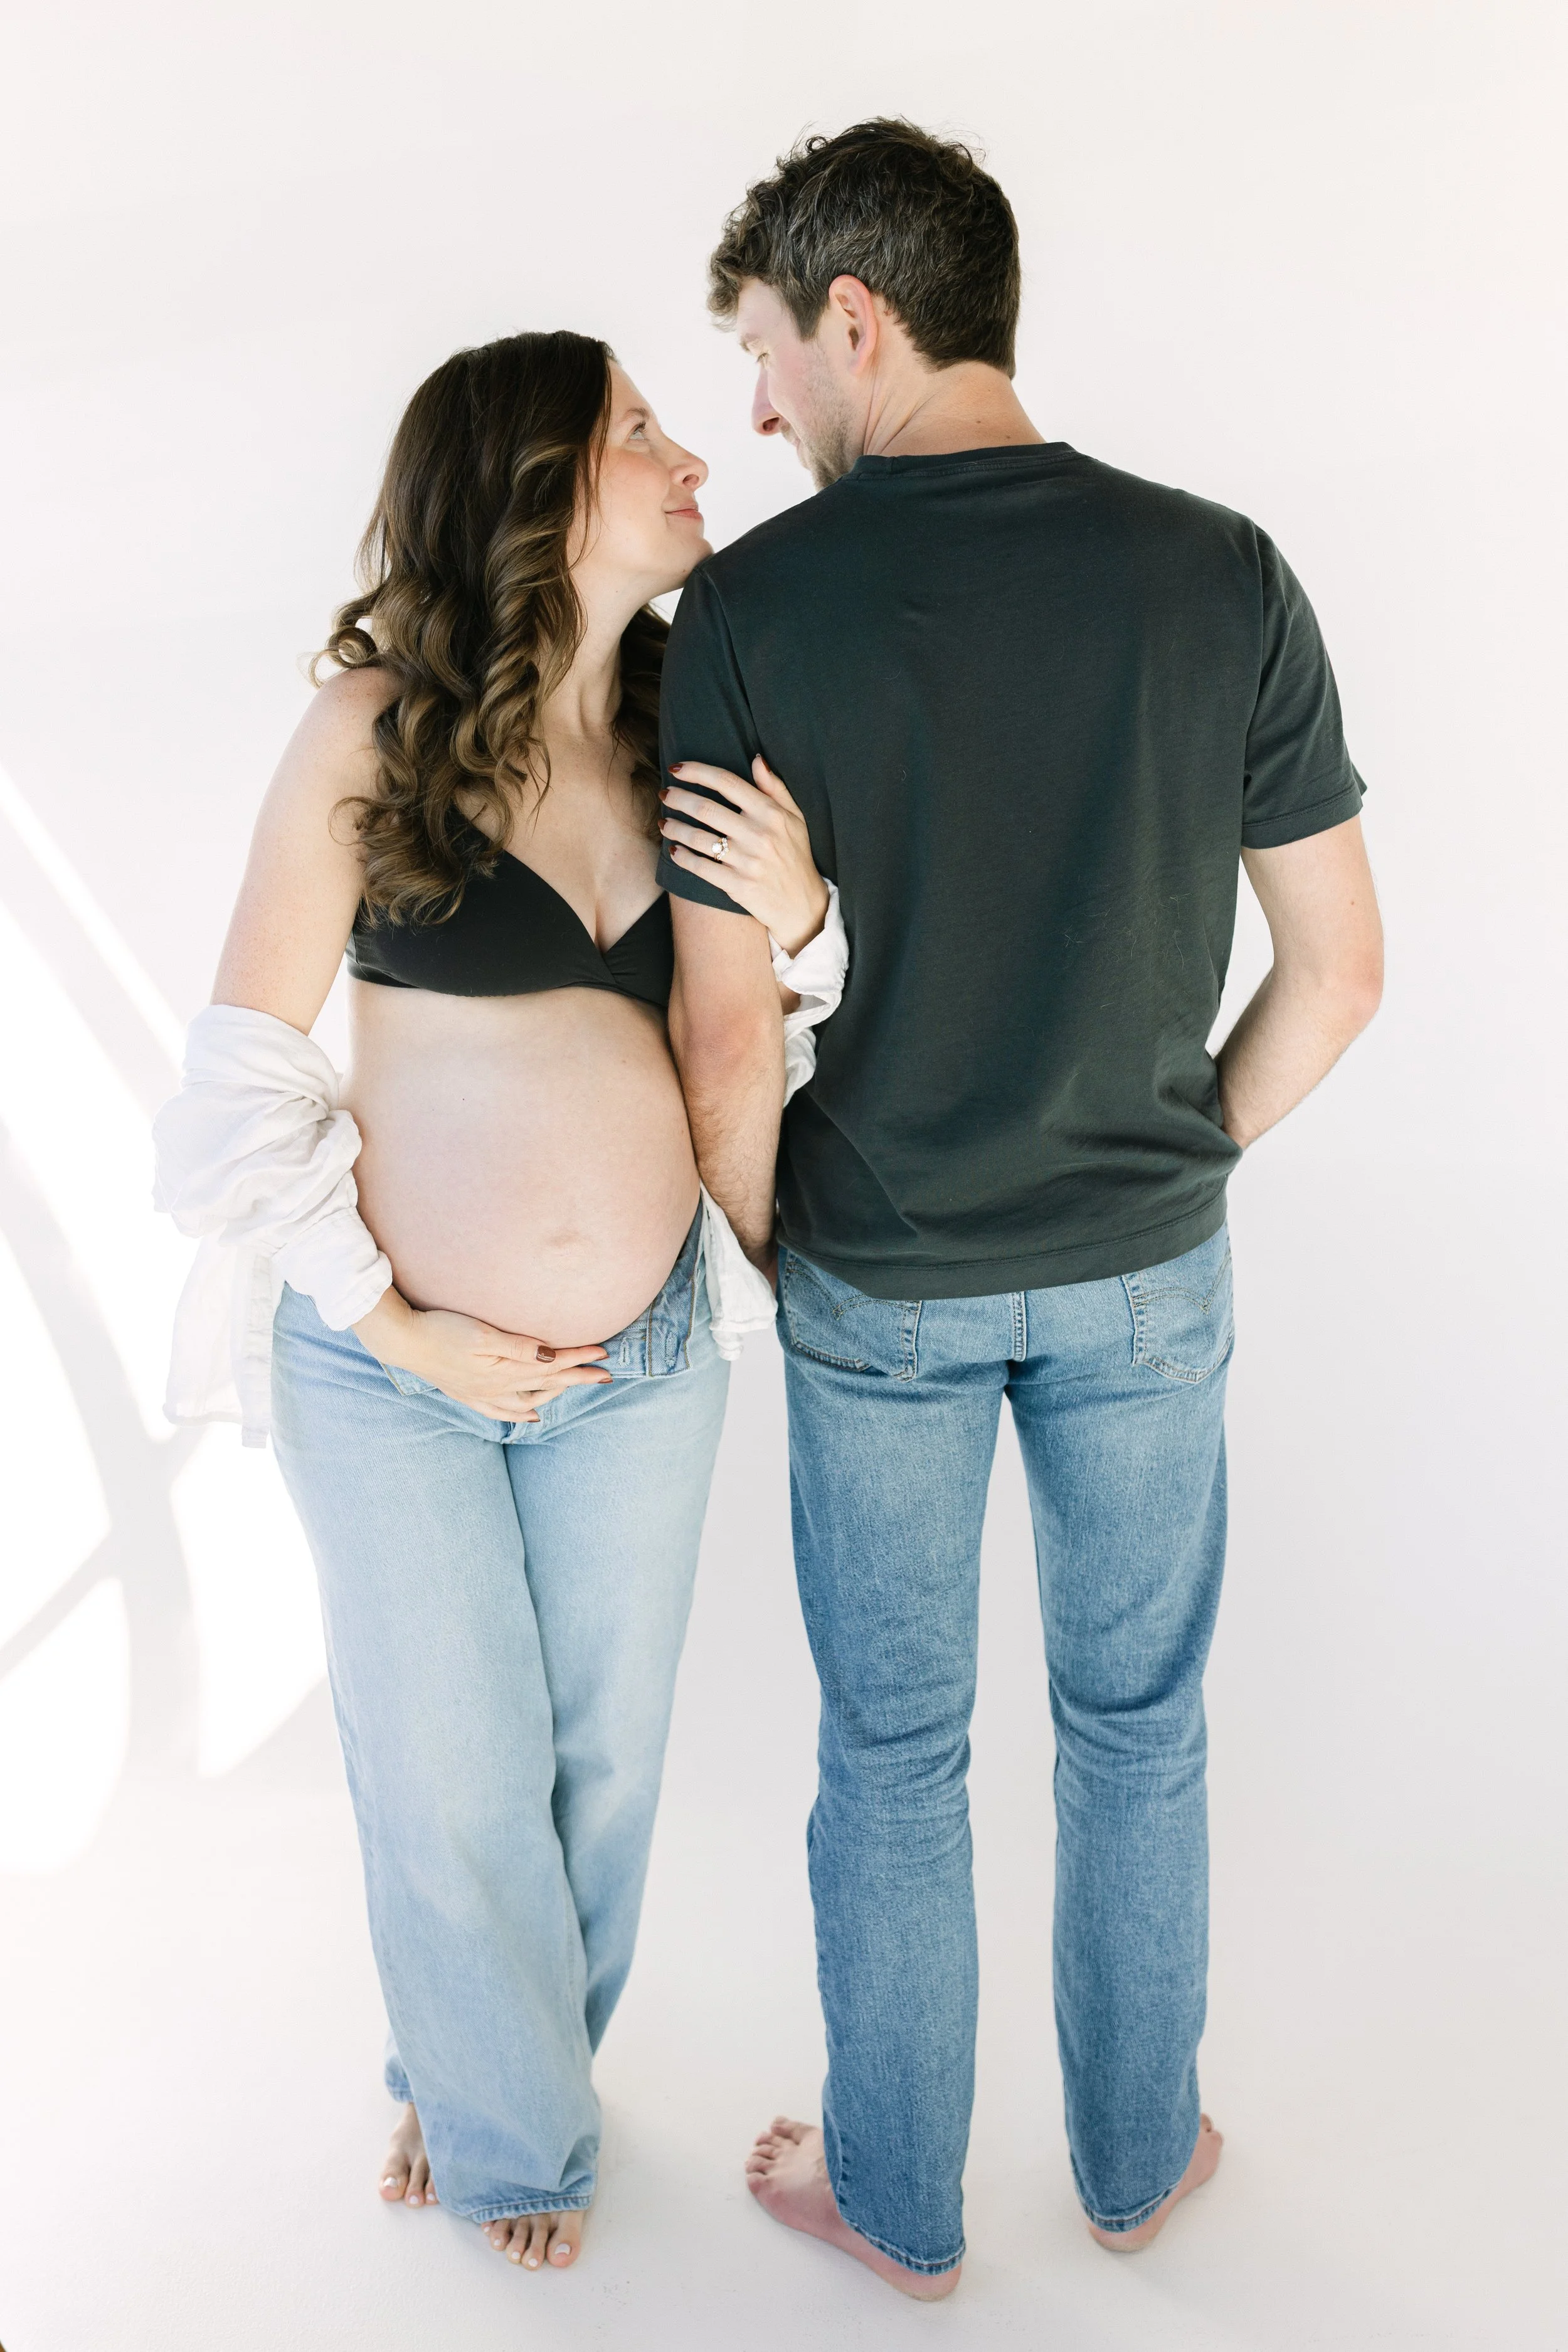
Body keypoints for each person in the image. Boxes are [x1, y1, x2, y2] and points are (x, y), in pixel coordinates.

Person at [657, 120, 1384, 2301]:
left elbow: (715, 1045)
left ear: (857, 321)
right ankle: (1136, 2159)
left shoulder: (756, 612)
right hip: (1144, 1276)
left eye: (769, 356)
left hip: (878, 1264)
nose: (755, 411)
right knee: (1135, 1727)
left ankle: (890, 2201)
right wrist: (1170, 1174)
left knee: (888, 1756)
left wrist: (798, 1252)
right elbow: (1338, 974)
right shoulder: (1221, 570)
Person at [152, 331, 844, 2274]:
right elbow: (234, 1067)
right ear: (531, 485)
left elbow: (782, 1023)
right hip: (401, 1365)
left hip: (641, 1362)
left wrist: (805, 912)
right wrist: (396, 1324)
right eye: (638, 428)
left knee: (600, 1764)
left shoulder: (694, 722)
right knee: (450, 1766)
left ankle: (487, 2066)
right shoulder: (382, 727)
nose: (693, 451)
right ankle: (510, 2131)